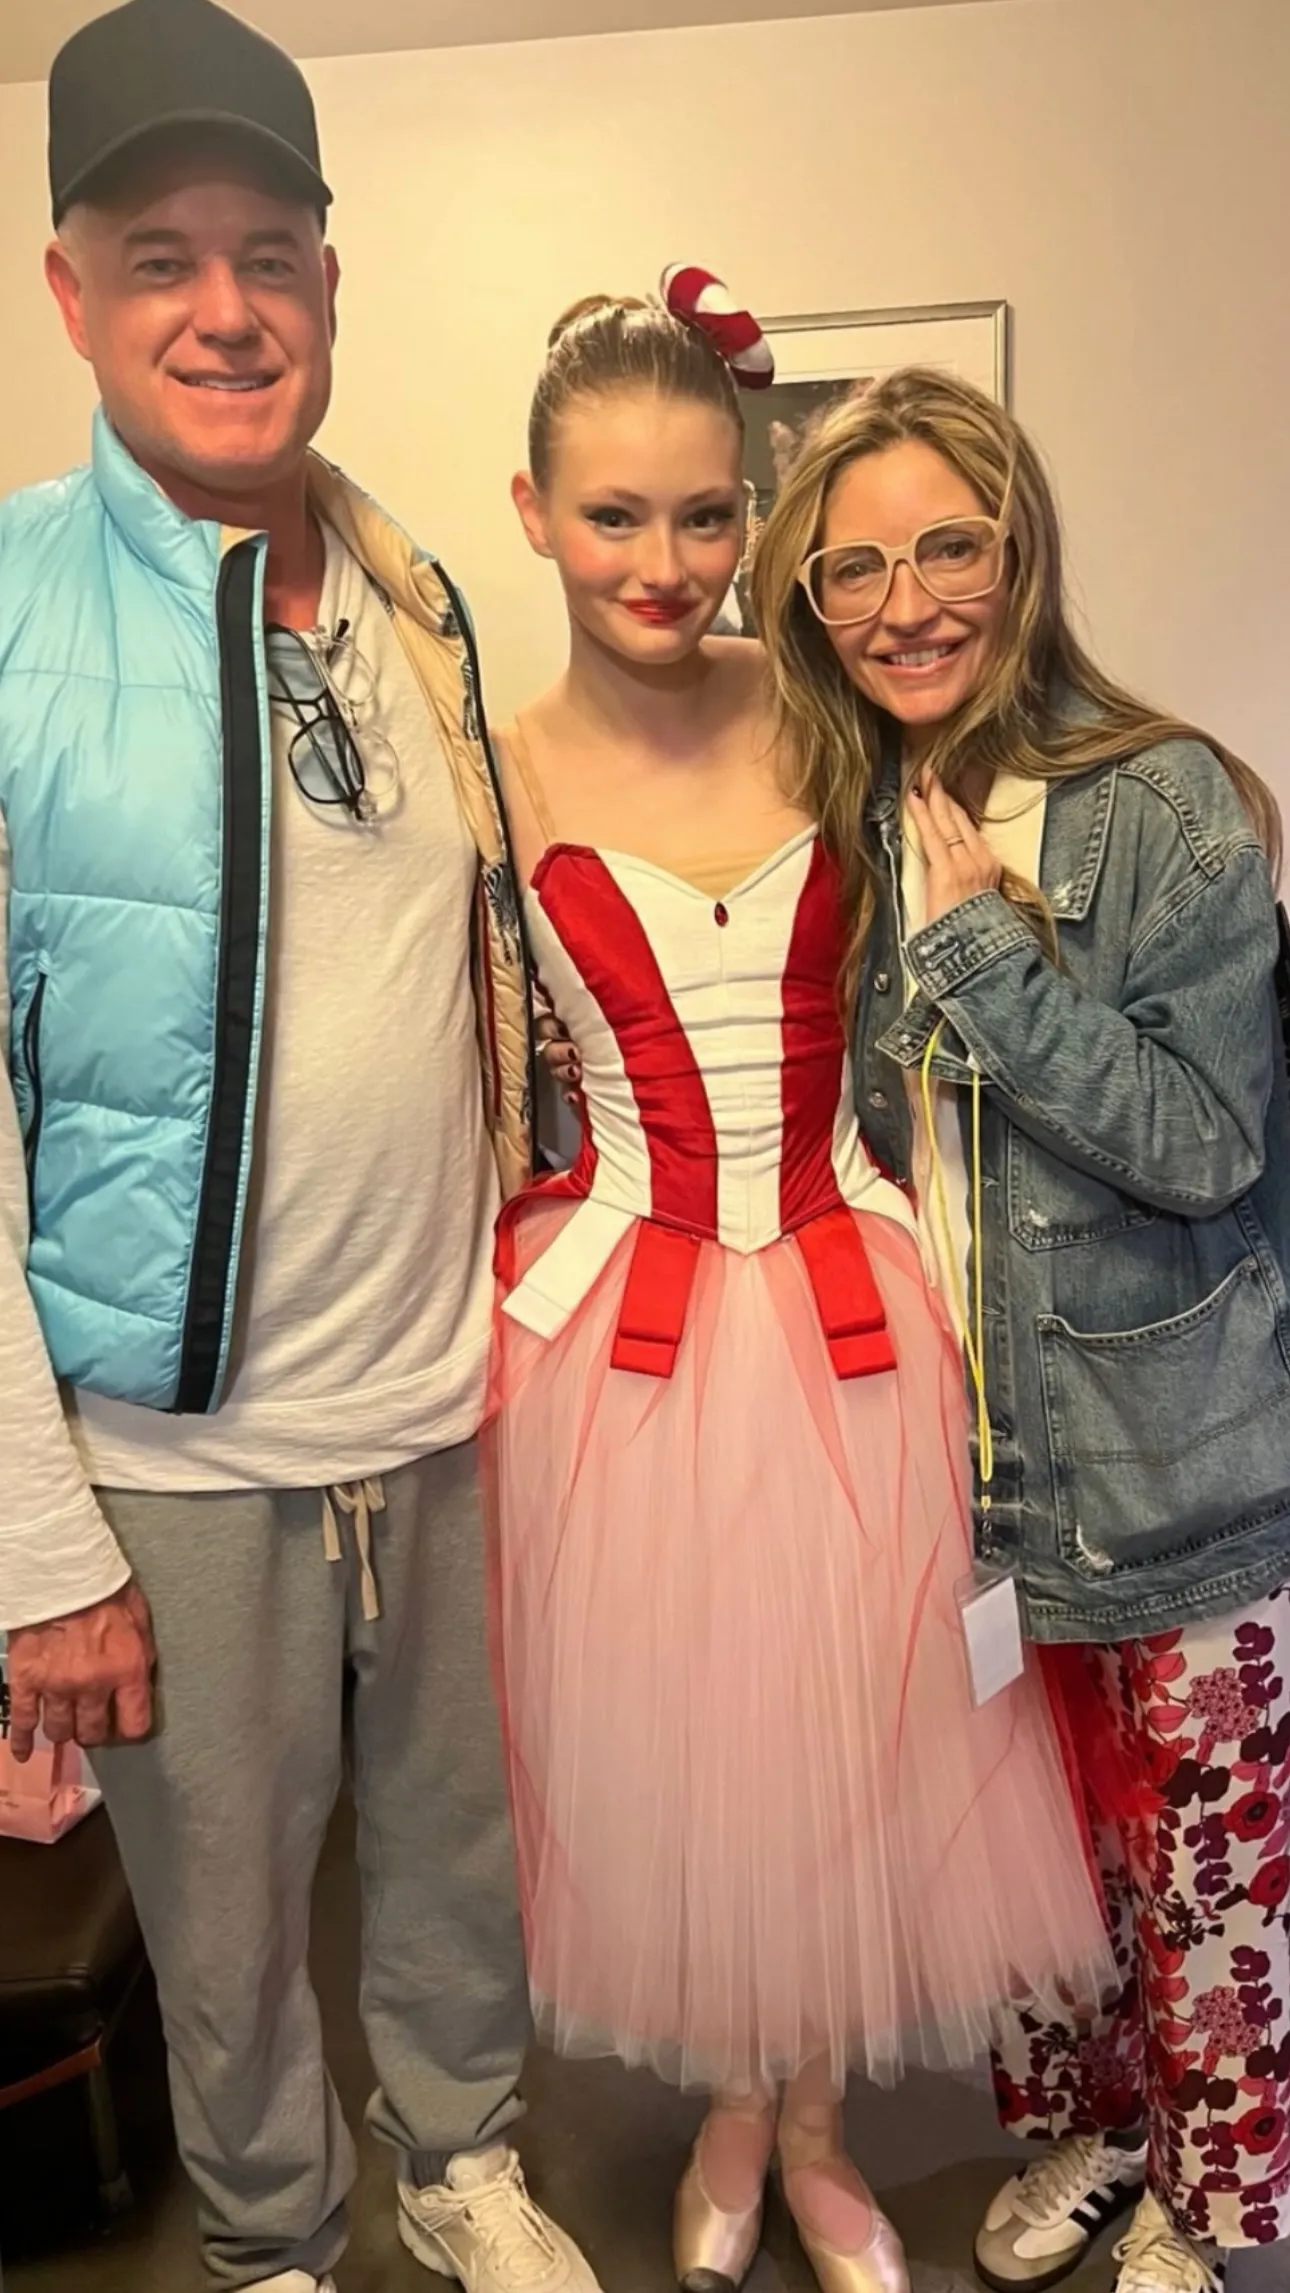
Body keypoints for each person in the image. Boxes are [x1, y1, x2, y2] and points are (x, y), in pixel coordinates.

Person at [0, 5, 601, 2290]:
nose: (225, 308)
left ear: (331, 286)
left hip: (444, 1402)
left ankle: (459, 2160)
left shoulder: (420, 591)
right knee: (228, 1915)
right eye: (161, 258)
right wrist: (33, 1543)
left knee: (458, 1852)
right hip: (172, 1449)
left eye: (268, 253)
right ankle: (270, 2243)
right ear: (71, 292)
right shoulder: (8, 615)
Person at [485, 269, 1116, 2293]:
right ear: (532, 512)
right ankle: (731, 2112)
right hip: (629, 1335)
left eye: (702, 515)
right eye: (612, 515)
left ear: (748, 514)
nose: (662, 562)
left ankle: (821, 2122)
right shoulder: (496, 769)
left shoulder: (828, 708)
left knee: (862, 1734)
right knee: (689, 1755)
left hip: (855, 1299)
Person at [751, 366, 1290, 2293]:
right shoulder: (857, 813)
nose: (903, 604)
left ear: (1021, 551)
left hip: (1173, 1459)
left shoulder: (1166, 806)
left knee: (1203, 1876)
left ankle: (1212, 2213)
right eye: (853, 568)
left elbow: (1207, 1143)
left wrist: (985, 953)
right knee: (1040, 1869)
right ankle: (1095, 2132)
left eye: (947, 548)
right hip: (966, 1465)